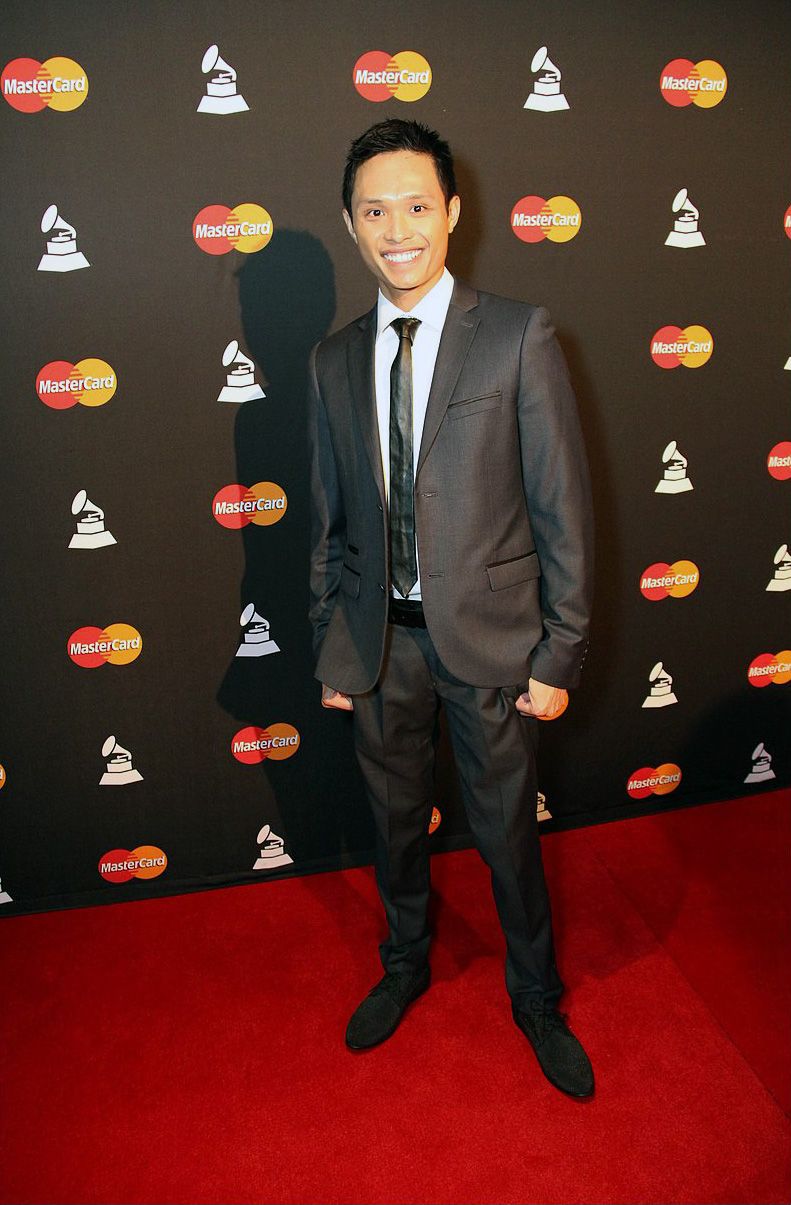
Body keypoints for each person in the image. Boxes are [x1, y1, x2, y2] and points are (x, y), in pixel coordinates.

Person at [308, 118, 595, 1098]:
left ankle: (535, 995)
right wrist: (332, 645)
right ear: (351, 224)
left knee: (508, 832)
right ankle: (403, 962)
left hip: (493, 650)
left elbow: (560, 504)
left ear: (453, 213)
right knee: (393, 827)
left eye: (416, 206)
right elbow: (326, 518)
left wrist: (557, 655)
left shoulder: (517, 334)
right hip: (380, 648)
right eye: (375, 209)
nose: (398, 228)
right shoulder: (332, 360)